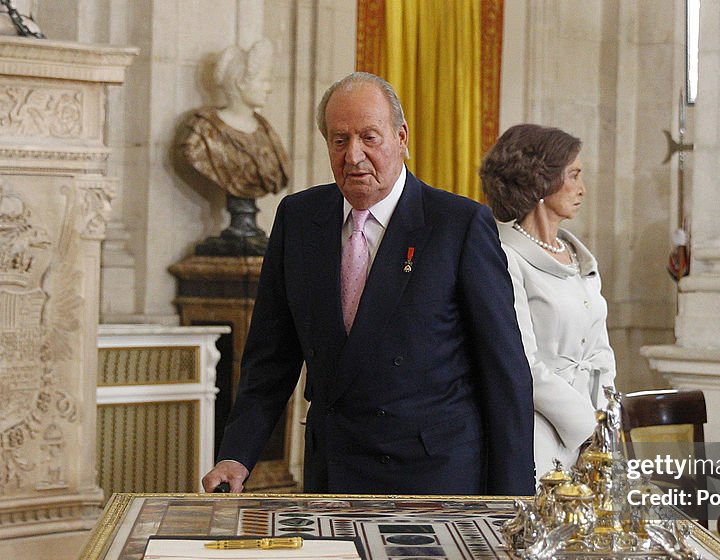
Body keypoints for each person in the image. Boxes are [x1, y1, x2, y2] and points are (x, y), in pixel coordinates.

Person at [201, 72, 535, 496]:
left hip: (434, 479)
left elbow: (504, 371)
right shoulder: (299, 219)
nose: (354, 155)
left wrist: (515, 499)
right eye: (339, 141)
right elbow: (270, 357)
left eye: (368, 137)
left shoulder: (457, 224)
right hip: (333, 473)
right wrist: (237, 454)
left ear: (401, 137)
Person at [479, 124, 616, 480]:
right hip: (539, 433)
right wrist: (586, 425)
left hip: (596, 436)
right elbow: (524, 364)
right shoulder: (504, 255)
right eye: (573, 175)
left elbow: (601, 351)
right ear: (539, 180)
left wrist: (605, 421)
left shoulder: (578, 255)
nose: (582, 188)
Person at [180, 39, 289, 200]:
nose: (269, 88)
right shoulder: (203, 131)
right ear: (240, 83)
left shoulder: (266, 130)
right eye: (263, 81)